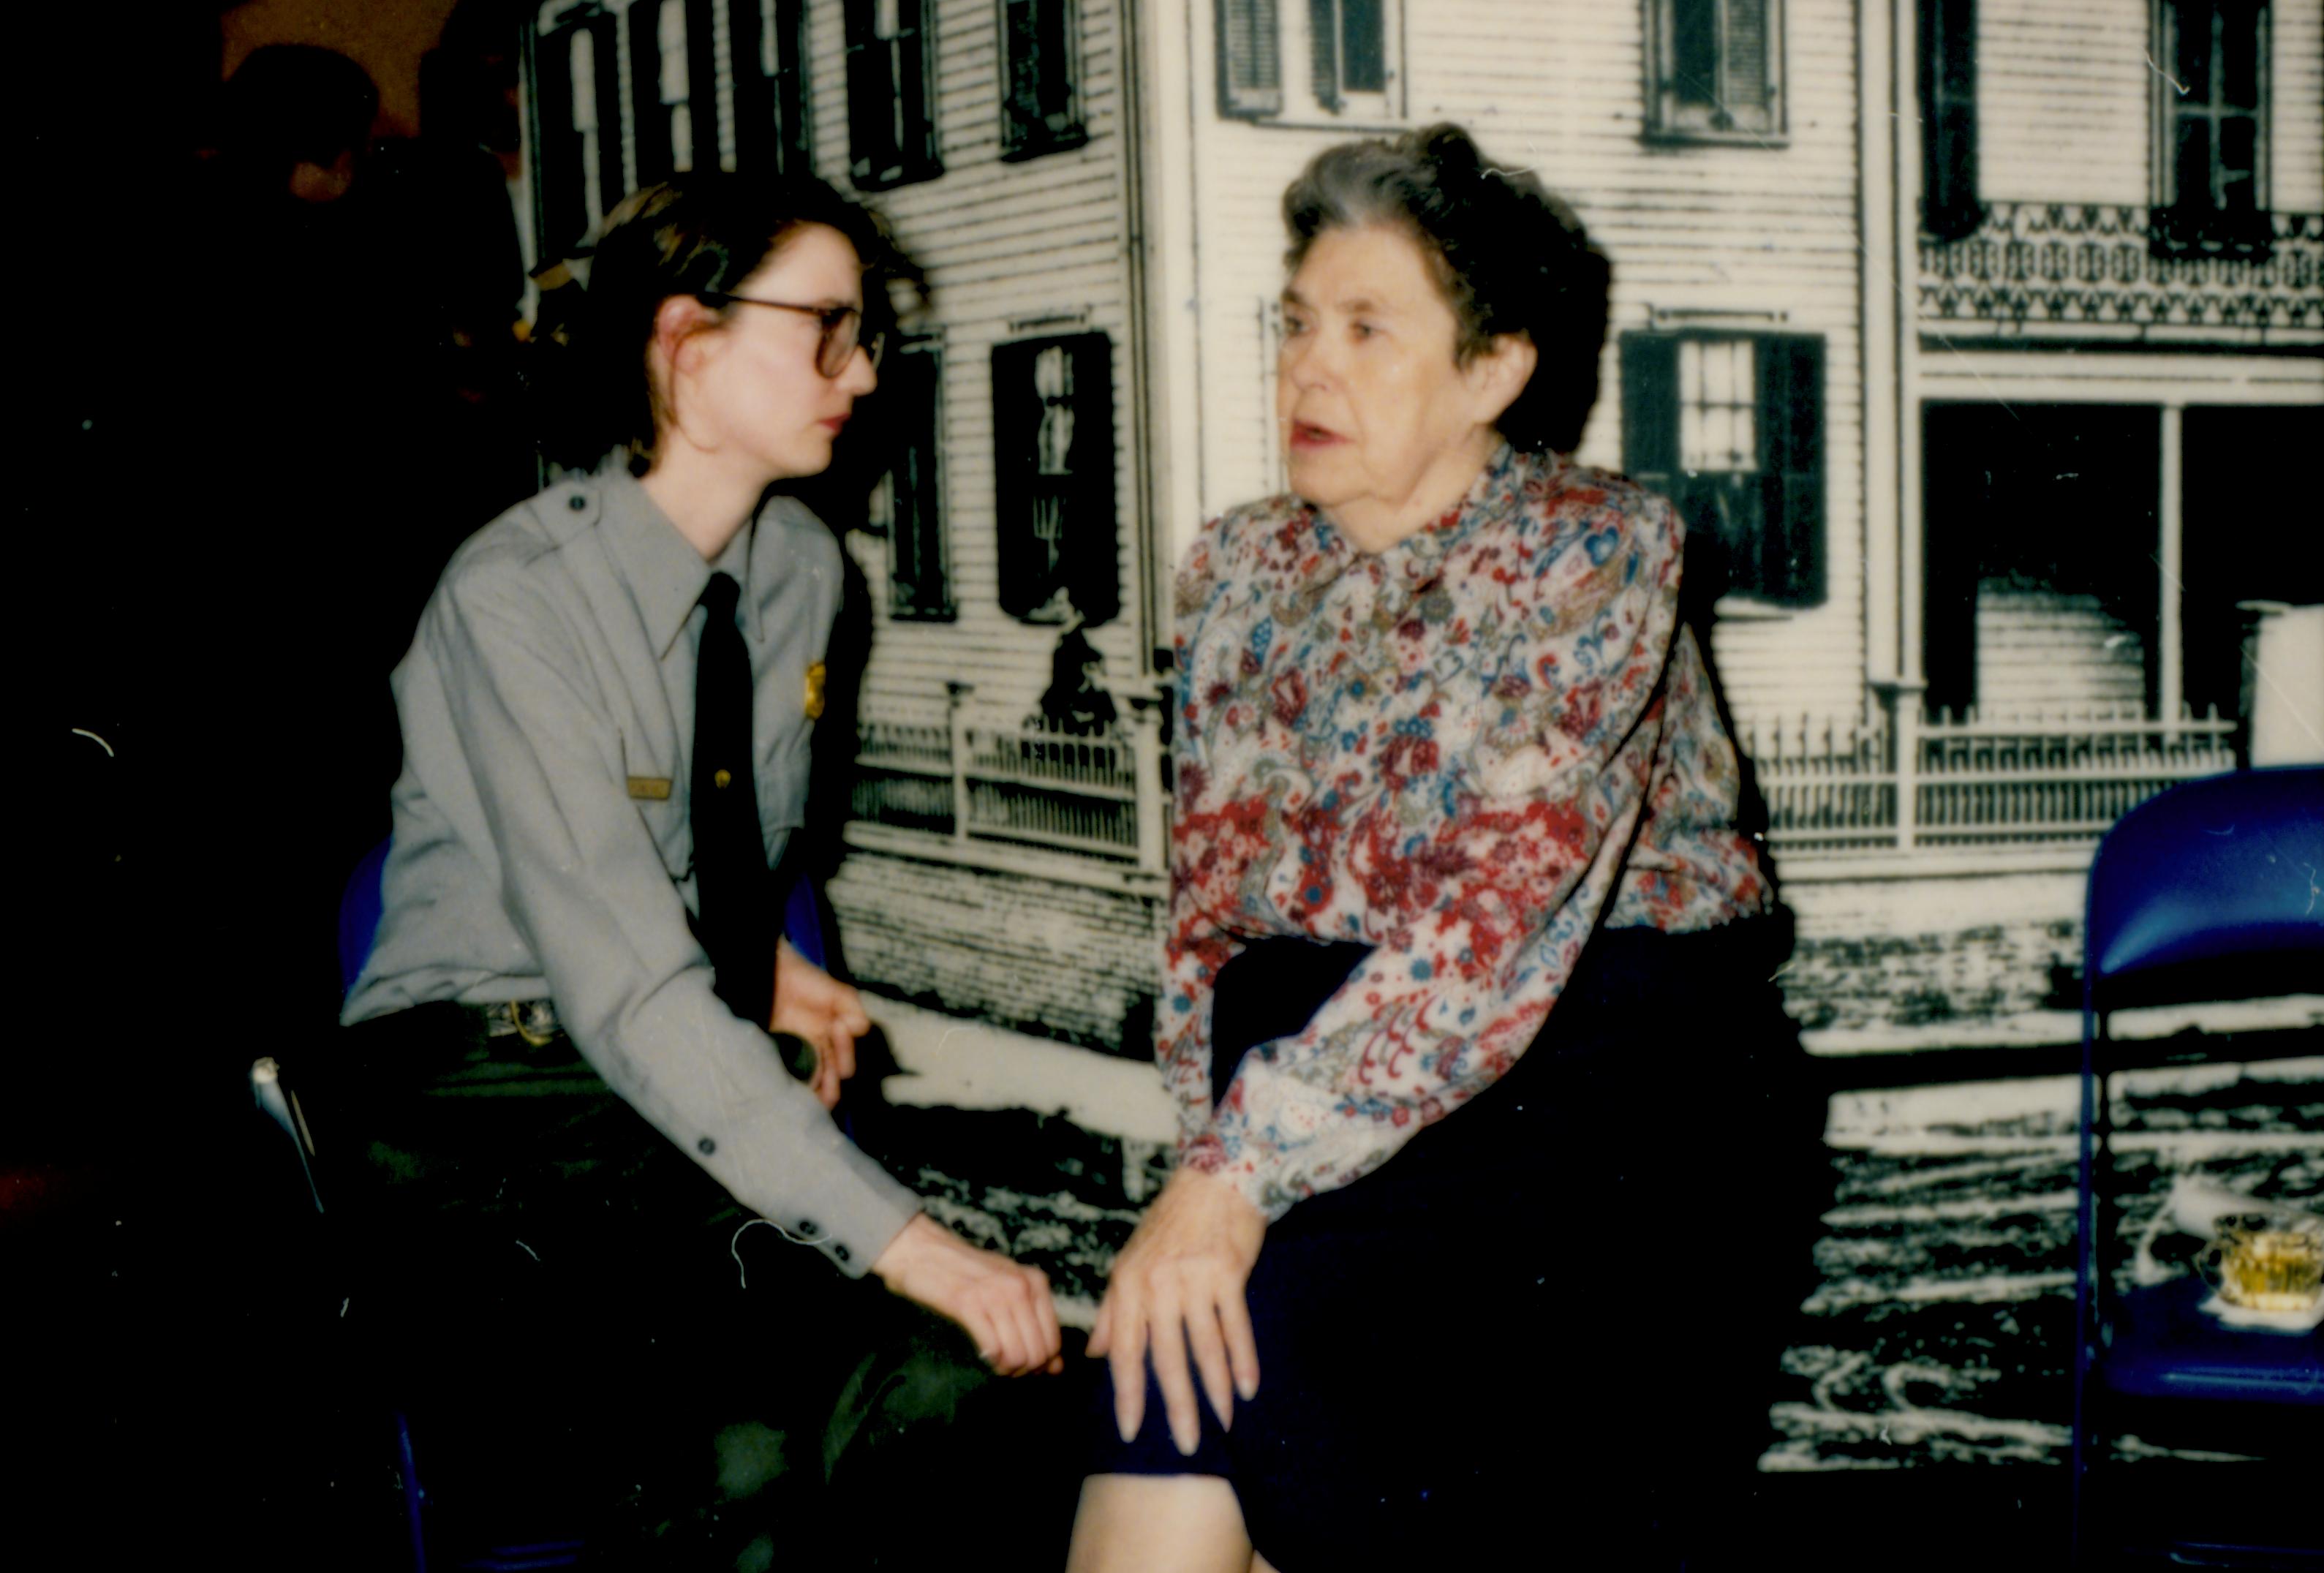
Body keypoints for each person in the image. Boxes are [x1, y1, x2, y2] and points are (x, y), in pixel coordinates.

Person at [1068, 126, 1814, 1572]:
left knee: (1257, 1368)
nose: (1306, 369)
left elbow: (1497, 925)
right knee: (1178, 1355)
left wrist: (1234, 1182)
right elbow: (1208, 905)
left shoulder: (1598, 549)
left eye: (1364, 329)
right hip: (1320, 1080)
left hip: (1605, 1095)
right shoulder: (1238, 564)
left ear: (1492, 372)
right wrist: (1206, 1167)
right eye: (1296, 324)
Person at [333, 171, 1063, 1562]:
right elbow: (625, 983)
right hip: (484, 1111)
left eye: (871, 339)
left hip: (648, 1103)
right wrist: (917, 1243)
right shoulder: (517, 598)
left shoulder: (803, 573)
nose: (859, 373)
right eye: (828, 329)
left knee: (945, 1386)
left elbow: (719, 853)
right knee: (743, 1460)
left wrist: (764, 958)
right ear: (686, 338)